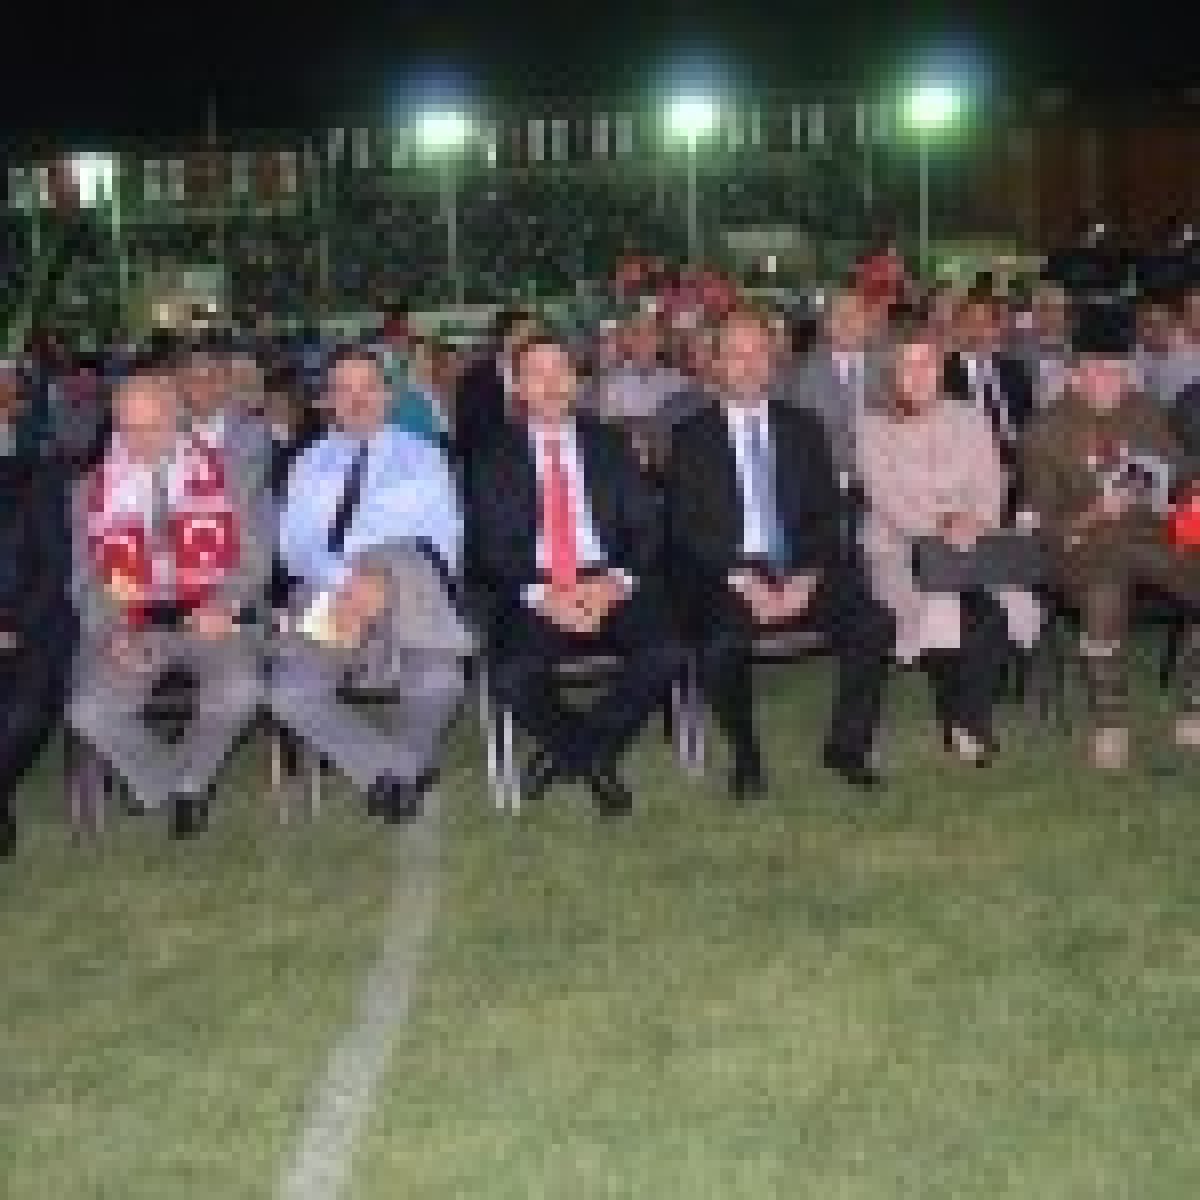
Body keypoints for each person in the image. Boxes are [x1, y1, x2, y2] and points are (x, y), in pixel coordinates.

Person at [666, 309, 895, 797]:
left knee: (873, 622)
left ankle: (847, 746)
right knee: (719, 644)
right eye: (737, 355)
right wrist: (744, 579)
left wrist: (806, 576)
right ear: (716, 365)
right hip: (729, 570)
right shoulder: (690, 437)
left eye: (759, 354)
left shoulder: (805, 428)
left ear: (774, 362)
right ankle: (746, 753)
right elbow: (685, 529)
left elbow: (827, 515)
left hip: (800, 564)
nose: (749, 365)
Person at [469, 336, 684, 814]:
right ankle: (591, 756)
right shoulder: (490, 454)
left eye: (560, 372)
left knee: (666, 651)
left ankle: (572, 752)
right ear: (517, 387)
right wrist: (545, 595)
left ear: (576, 381)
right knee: (512, 674)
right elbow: (489, 548)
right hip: (534, 582)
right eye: (537, 374)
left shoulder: (610, 443)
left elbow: (647, 528)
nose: (550, 384)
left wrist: (613, 583)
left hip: (607, 575)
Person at [68, 371, 266, 836]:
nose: (139, 441)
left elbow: (256, 558)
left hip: (211, 613)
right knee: (90, 710)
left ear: (177, 418)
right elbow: (84, 578)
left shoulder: (232, 474)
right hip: (132, 620)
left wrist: (225, 604)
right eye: (127, 428)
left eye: (151, 427)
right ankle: (179, 784)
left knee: (241, 690)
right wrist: (114, 629)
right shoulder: (90, 490)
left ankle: (188, 782)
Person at [271, 349, 465, 822]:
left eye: (368, 388)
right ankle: (396, 772)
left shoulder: (424, 457)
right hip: (328, 594)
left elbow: (442, 544)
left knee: (439, 681)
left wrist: (385, 579)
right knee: (291, 692)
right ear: (327, 400)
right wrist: (346, 583)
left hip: (409, 591)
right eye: (344, 390)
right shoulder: (306, 462)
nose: (357, 400)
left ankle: (398, 776)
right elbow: (293, 547)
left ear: (388, 395)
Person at [1023, 304, 1200, 769]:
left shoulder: (1143, 409)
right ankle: (1111, 722)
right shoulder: (1044, 431)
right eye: (1098, 371)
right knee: (1104, 593)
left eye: (1119, 371)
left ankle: (1194, 706)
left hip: (1150, 534)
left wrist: (1188, 491)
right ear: (1075, 374)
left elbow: (1180, 472)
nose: (1110, 381)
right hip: (1085, 546)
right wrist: (1094, 512)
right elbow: (1044, 525)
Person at [858, 327, 1042, 763]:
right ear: (892, 372)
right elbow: (886, 498)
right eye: (909, 364)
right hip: (900, 549)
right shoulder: (873, 424)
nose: (921, 373)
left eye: (929, 362)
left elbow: (992, 484)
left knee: (998, 610)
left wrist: (975, 521)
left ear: (942, 367)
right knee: (944, 610)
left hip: (973, 543)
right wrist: (941, 523)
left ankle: (968, 719)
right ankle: (958, 718)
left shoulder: (969, 417)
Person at [0, 380, 73, 856]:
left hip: (29, 622)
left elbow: (55, 567)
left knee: (24, 713)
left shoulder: (36, 478)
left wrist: (12, 626)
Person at [780, 290, 878, 486]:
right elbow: (797, 438)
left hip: (882, 483)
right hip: (826, 481)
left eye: (856, 315)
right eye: (839, 315)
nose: (848, 322)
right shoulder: (801, 376)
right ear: (826, 324)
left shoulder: (890, 370)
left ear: (869, 324)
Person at [944, 295, 1035, 460]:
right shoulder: (944, 375)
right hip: (966, 457)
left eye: (985, 324)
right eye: (970, 323)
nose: (978, 331)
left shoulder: (1016, 370)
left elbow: (1029, 422)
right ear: (957, 328)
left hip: (1018, 457)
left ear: (996, 329)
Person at [454, 307, 540, 467]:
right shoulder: (476, 380)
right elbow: (469, 435)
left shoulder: (542, 375)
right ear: (504, 338)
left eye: (534, 336)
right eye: (523, 335)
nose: (530, 342)